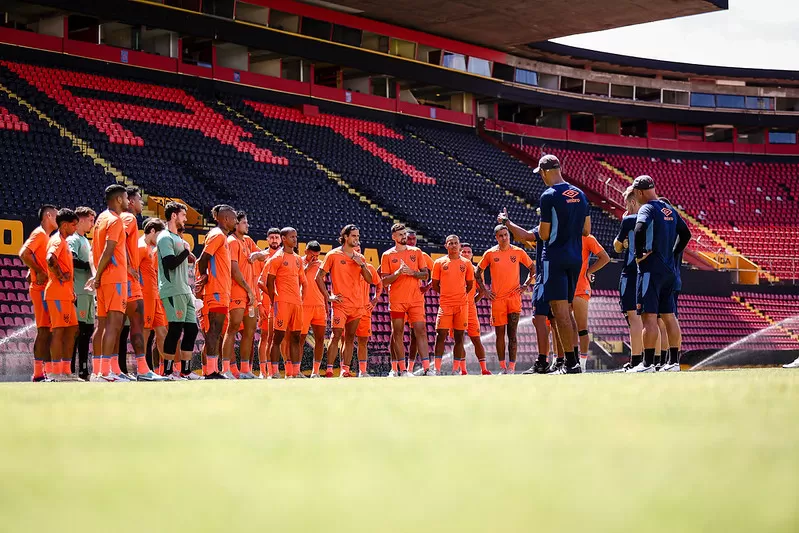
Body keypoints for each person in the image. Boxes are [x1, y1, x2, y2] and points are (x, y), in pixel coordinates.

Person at [629, 176, 691, 373]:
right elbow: (686, 234)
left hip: (651, 269)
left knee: (649, 317)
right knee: (670, 316)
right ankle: (674, 363)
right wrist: (672, 253)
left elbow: (639, 228)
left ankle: (647, 364)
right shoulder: (669, 209)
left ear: (639, 192)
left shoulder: (647, 208)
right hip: (669, 270)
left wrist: (638, 254)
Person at [534, 154, 590, 374]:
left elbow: (545, 233)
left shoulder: (548, 195)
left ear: (547, 171)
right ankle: (573, 358)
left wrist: (540, 229)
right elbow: (586, 230)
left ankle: (570, 363)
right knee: (567, 310)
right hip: (576, 257)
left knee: (559, 312)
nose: (541, 178)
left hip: (555, 257)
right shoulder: (581, 194)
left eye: (540, 173)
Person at [316, 224, 372, 378]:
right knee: (335, 336)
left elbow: (369, 279)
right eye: (354, 236)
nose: (356, 239)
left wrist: (361, 264)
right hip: (340, 304)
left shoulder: (360, 258)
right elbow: (318, 277)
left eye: (358, 236)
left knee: (350, 339)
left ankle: (345, 370)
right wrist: (328, 296)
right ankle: (328, 370)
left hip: (356, 305)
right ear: (346, 237)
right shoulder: (333, 255)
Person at [476, 225, 533, 374]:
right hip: (497, 300)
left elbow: (533, 268)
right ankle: (502, 367)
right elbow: (478, 272)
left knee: (512, 334)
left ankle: (512, 368)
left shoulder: (518, 252)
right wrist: (484, 290)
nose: (504, 238)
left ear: (509, 235)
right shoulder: (490, 253)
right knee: (499, 335)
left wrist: (526, 285)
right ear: (496, 237)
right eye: (500, 235)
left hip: (513, 298)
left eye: (506, 235)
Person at [119, 186, 160, 380]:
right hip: (134, 289)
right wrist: (128, 266)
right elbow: (120, 241)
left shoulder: (146, 246)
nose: (142, 204)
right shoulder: (129, 220)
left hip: (137, 289)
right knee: (125, 328)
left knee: (120, 328)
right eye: (139, 201)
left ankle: (115, 369)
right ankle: (138, 370)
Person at [89, 185, 130, 382]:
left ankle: (98, 370)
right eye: (126, 198)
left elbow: (94, 250)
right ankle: (105, 373)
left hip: (104, 279)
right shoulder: (115, 221)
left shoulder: (100, 219)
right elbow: (109, 248)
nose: (129, 201)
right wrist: (97, 276)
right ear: (119, 199)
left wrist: (96, 274)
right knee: (114, 325)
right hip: (114, 278)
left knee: (102, 324)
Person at [157, 202, 201, 380]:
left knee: (191, 330)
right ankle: (167, 372)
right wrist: (185, 252)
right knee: (175, 329)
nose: (185, 219)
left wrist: (186, 254)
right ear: (174, 216)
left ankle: (186, 371)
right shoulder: (165, 237)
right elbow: (169, 263)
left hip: (184, 290)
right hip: (172, 290)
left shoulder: (178, 239)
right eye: (183, 215)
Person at [380, 223, 430, 377]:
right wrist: (398, 272)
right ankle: (401, 370)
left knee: (421, 332)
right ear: (394, 237)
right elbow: (384, 281)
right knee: (398, 333)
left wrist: (412, 272)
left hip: (415, 300)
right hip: (397, 300)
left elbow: (425, 275)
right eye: (400, 234)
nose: (404, 237)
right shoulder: (387, 255)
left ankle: (428, 369)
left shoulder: (417, 252)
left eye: (404, 234)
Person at [196, 204, 237, 379]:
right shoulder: (217, 236)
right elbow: (202, 259)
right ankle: (211, 371)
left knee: (216, 331)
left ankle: (211, 369)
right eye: (234, 218)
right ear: (225, 219)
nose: (236, 221)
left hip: (221, 290)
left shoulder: (222, 237)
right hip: (215, 291)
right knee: (214, 330)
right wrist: (204, 276)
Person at [19, 204, 57, 382]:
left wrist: (32, 270)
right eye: (56, 215)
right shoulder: (40, 233)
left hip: (45, 289)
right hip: (40, 289)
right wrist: (38, 271)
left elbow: (32, 256)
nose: (57, 219)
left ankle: (46, 372)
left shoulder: (45, 236)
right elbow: (23, 253)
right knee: (43, 331)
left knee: (48, 331)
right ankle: (37, 374)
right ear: (48, 216)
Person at [266, 227, 307, 378]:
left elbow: (303, 281)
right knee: (278, 337)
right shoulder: (277, 258)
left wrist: (301, 298)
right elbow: (269, 282)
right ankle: (274, 372)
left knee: (296, 337)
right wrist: (273, 300)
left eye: (296, 237)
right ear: (284, 238)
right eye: (292, 237)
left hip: (296, 303)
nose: (295, 239)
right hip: (282, 302)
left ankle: (295, 372)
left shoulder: (298, 259)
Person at [44, 208, 79, 381]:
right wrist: (59, 275)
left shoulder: (63, 241)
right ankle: (56, 372)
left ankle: (66, 370)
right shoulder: (57, 241)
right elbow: (50, 258)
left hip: (66, 295)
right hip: (57, 294)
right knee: (58, 332)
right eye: (73, 225)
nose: (75, 228)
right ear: (64, 225)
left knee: (72, 330)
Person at [432, 235, 474, 376]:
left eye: (456, 243)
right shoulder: (439, 262)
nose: (454, 245)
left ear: (460, 245)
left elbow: (469, 285)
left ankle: (455, 369)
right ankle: (436, 369)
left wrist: (459, 295)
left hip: (461, 305)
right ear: (446, 246)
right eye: (451, 243)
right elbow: (435, 285)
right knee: (440, 336)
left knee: (459, 337)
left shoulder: (466, 264)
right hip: (445, 305)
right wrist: (446, 294)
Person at [223, 211, 258, 379]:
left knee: (249, 332)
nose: (247, 225)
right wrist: (249, 290)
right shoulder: (232, 242)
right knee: (232, 329)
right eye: (244, 222)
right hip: (238, 291)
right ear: (236, 224)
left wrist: (257, 254)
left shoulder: (248, 241)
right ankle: (226, 369)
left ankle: (245, 370)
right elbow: (234, 270)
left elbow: (265, 255)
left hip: (250, 294)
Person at [613, 187, 643, 372]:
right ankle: (653, 360)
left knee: (633, 317)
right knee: (653, 319)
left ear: (632, 202)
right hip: (649, 272)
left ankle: (637, 361)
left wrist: (624, 242)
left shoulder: (630, 219)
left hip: (632, 272)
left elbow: (617, 247)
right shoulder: (654, 217)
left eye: (627, 204)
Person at [572, 234, 610, 372]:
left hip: (581, 287)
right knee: (565, 327)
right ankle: (568, 361)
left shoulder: (587, 238)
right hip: (565, 286)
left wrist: (589, 271)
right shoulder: (564, 233)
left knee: (581, 328)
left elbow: (605, 257)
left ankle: (581, 364)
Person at [139, 218, 169, 381]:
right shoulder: (141, 247)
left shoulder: (151, 248)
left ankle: (170, 370)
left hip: (155, 296)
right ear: (152, 231)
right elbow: (132, 270)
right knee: (144, 333)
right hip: (145, 296)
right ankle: (142, 370)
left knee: (162, 332)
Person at [68, 206, 96, 381]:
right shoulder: (74, 239)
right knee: (77, 332)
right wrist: (89, 266)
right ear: (81, 220)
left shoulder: (86, 240)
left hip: (88, 294)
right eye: (91, 220)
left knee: (87, 331)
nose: (93, 224)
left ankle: (83, 369)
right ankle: (70, 369)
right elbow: (70, 259)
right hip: (78, 290)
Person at [459, 243, 490, 375]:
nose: (466, 254)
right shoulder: (455, 267)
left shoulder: (476, 270)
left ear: (472, 255)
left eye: (468, 252)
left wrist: (472, 302)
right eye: (464, 252)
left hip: (470, 309)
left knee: (476, 339)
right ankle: (463, 370)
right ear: (460, 253)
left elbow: (482, 291)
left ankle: (484, 369)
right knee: (459, 339)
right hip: (457, 307)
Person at [256, 227, 281, 378]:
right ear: (267, 240)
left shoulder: (286, 256)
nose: (274, 240)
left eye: (276, 237)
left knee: (278, 338)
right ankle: (263, 371)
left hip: (281, 301)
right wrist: (259, 304)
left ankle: (276, 370)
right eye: (271, 237)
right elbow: (257, 280)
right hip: (266, 300)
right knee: (265, 336)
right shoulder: (262, 256)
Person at [300, 241, 327, 378]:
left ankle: (315, 371)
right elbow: (295, 280)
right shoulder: (298, 261)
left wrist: (327, 306)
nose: (315, 258)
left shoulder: (322, 264)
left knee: (320, 339)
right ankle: (296, 370)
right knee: (300, 339)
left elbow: (323, 286)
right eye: (312, 255)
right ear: (306, 252)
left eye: (317, 256)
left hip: (319, 305)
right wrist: (308, 266)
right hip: (304, 306)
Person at [354, 244, 381, 378]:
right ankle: (344, 370)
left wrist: (375, 299)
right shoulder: (344, 266)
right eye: (355, 250)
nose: (357, 253)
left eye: (359, 250)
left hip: (364, 310)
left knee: (363, 342)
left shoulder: (369, 267)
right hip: (349, 308)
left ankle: (362, 371)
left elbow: (379, 284)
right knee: (344, 340)